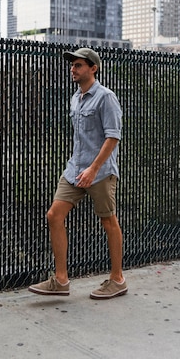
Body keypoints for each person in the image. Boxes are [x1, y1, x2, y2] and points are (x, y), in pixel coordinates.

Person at [28, 47, 127, 299]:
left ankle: (118, 280)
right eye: (72, 65)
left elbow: (113, 137)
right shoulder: (75, 98)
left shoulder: (106, 97)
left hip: (101, 172)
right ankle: (61, 281)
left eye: (79, 65)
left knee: (108, 221)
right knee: (54, 215)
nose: (73, 69)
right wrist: (81, 168)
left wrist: (94, 169)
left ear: (93, 68)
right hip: (75, 169)